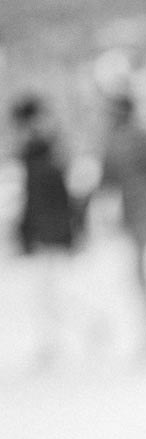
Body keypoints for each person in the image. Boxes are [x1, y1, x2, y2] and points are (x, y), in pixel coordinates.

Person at [97, 92, 146, 354]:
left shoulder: (131, 139)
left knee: (140, 275)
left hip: (140, 213)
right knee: (137, 275)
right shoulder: (124, 139)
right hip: (134, 214)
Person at [10, 94, 80, 366]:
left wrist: (69, 230)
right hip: (43, 230)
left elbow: (60, 195)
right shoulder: (36, 152)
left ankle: (58, 340)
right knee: (46, 291)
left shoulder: (47, 151)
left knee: (51, 290)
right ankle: (50, 341)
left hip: (51, 229)